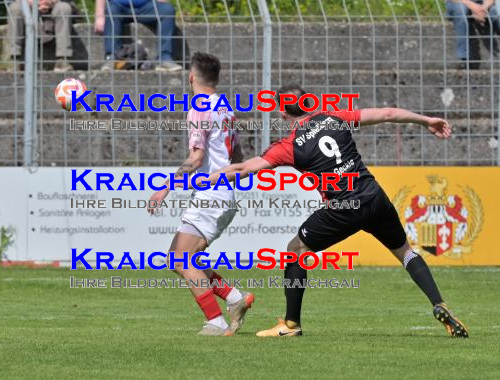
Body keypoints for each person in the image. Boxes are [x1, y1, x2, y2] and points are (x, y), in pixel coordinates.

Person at [197, 84, 469, 338]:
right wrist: (426, 120)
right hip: (373, 196)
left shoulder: (289, 146)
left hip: (344, 206)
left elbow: (244, 169)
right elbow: (387, 113)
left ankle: (291, 324)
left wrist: (203, 179)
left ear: (282, 112)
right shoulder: (334, 117)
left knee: (295, 250)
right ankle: (438, 302)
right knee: (406, 253)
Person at [146, 52, 254, 336]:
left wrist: (164, 187)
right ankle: (234, 297)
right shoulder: (225, 107)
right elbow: (238, 155)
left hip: (212, 195)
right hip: (223, 193)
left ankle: (216, 322)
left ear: (191, 77)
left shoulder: (199, 107)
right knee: (179, 258)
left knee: (181, 260)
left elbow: (196, 158)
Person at [94, 0, 183, 72]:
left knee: (167, 10)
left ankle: (164, 58)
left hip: (147, 7)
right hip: (118, 7)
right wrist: (99, 16)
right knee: (111, 9)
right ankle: (112, 58)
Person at [6, 0, 76, 72]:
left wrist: (51, 1)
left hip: (53, 5)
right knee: (15, 8)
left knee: (64, 8)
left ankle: (62, 59)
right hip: (25, 4)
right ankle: (15, 58)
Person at [446, 0, 500, 69]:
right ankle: (465, 58)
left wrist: (483, 8)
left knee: (495, 12)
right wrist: (474, 7)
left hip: (482, 5)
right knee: (460, 10)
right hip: (459, 2)